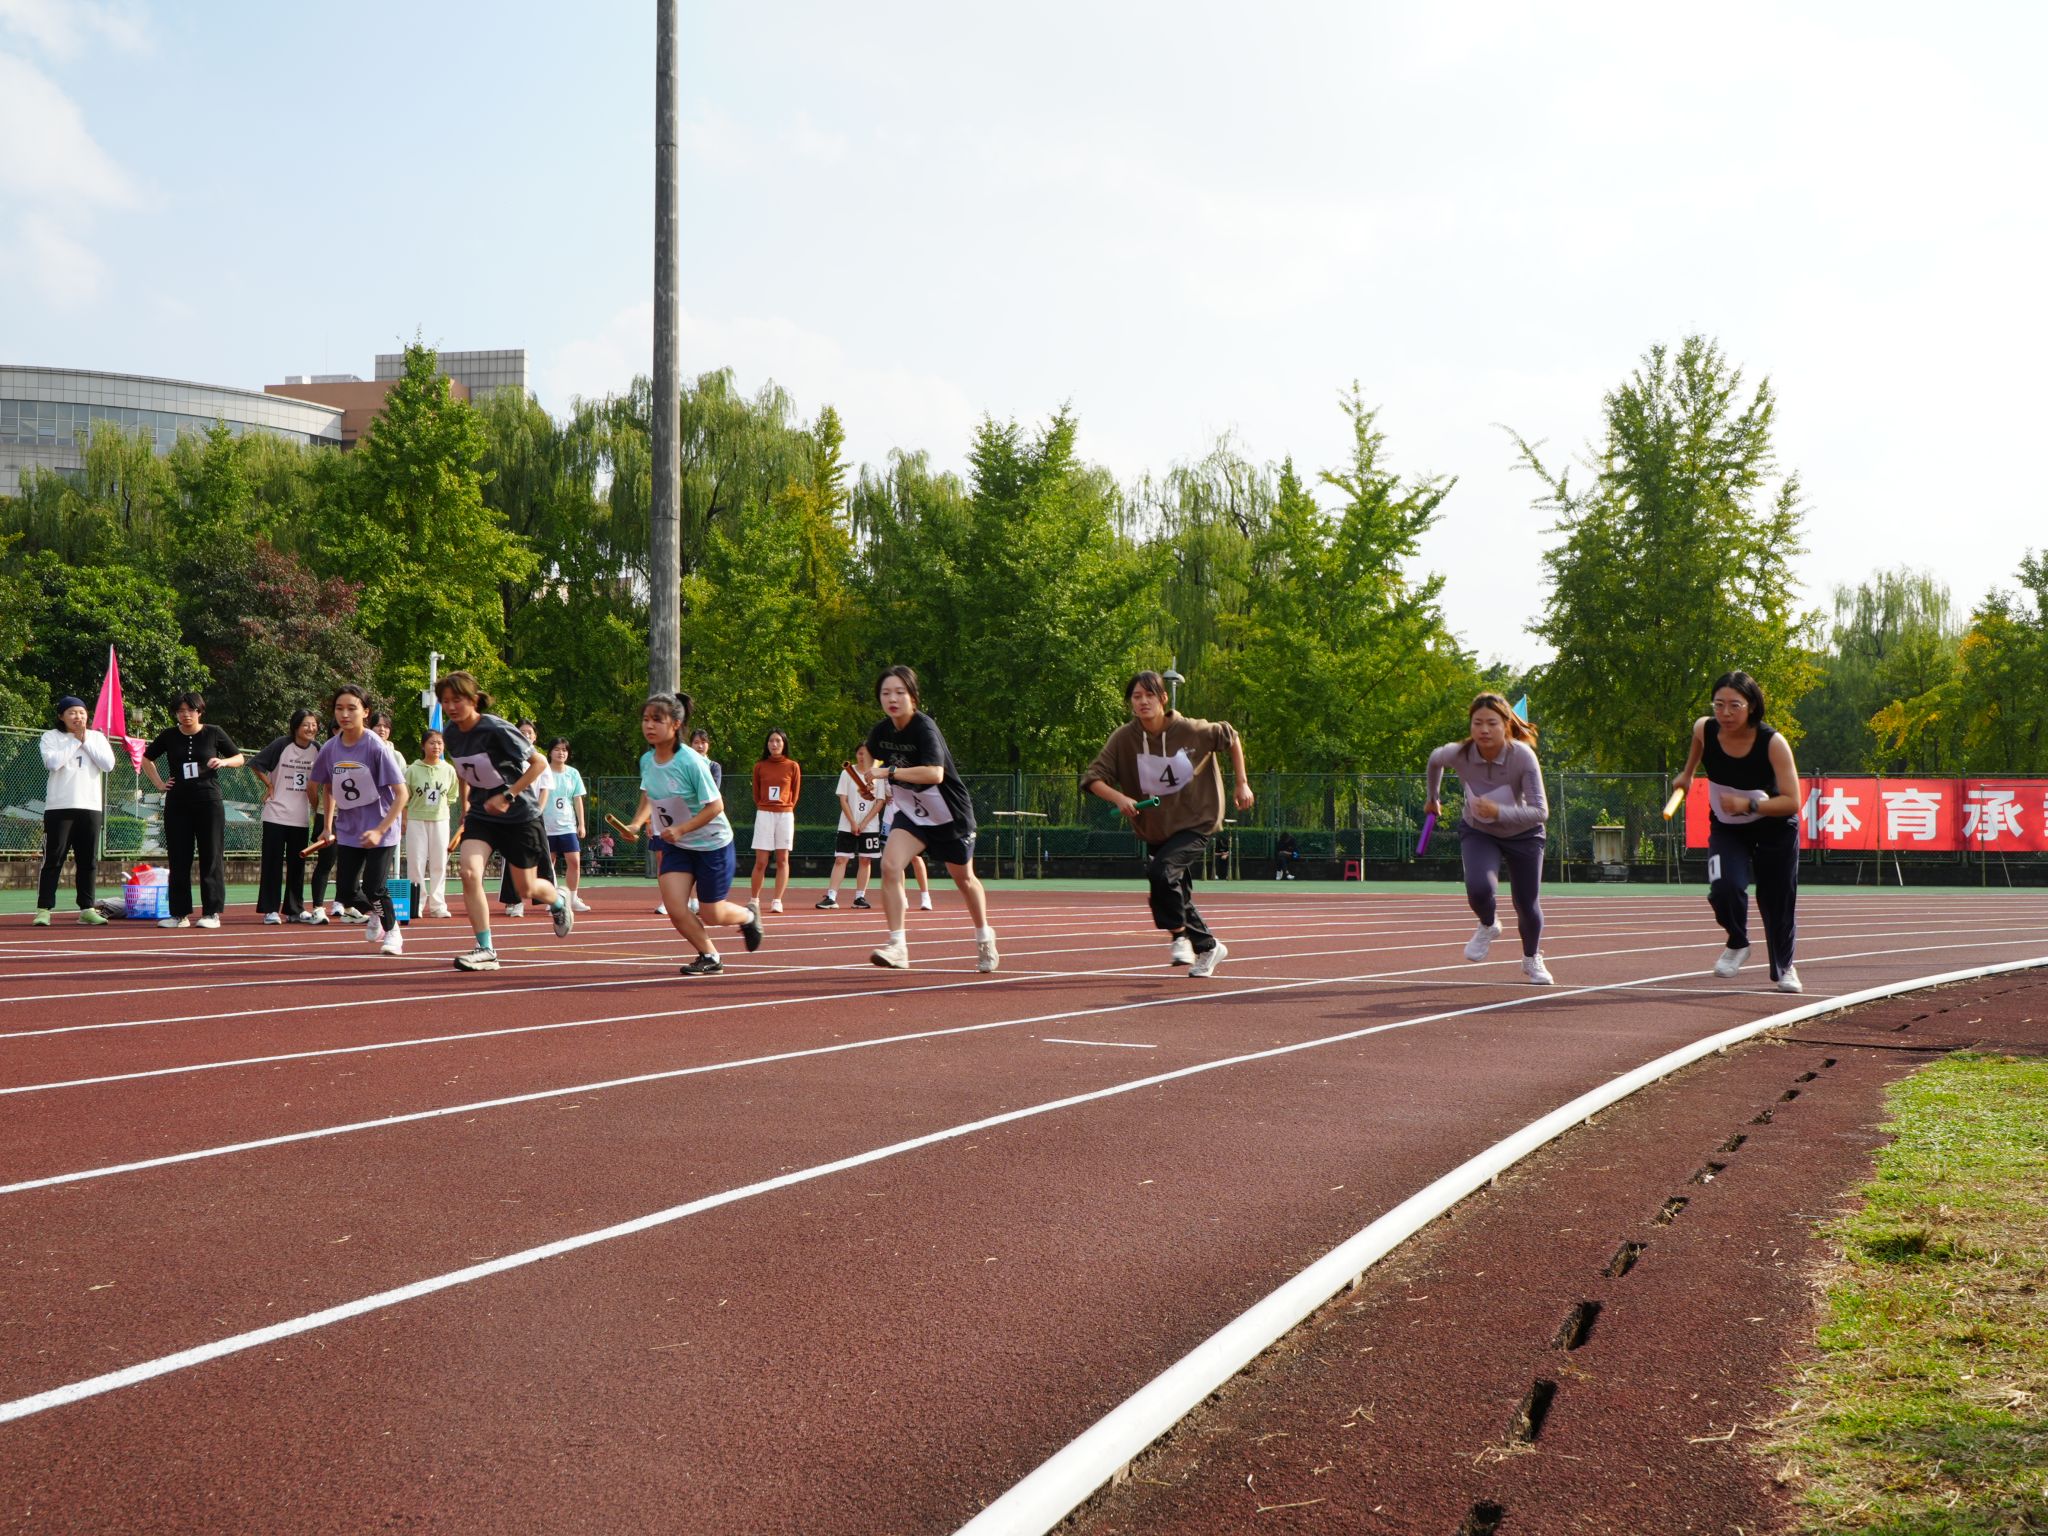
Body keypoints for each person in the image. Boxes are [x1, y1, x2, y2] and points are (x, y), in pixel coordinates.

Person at [1081, 670, 1255, 978]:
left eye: (1150, 695)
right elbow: (1093, 778)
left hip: (1196, 820)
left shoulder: (1190, 730)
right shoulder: (1123, 739)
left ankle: (1179, 938)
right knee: (1170, 889)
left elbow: (1230, 736)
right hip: (1156, 828)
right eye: (1136, 697)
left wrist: (1241, 783)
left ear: (1163, 698)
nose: (1143, 702)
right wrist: (1119, 798)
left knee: (1161, 873)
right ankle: (1208, 946)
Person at [1671, 670, 1804, 994]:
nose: (1725, 713)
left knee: (1776, 899)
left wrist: (1750, 804)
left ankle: (1784, 966)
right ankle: (1737, 942)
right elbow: (1697, 742)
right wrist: (1687, 774)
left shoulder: (1773, 743)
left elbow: (1793, 801)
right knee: (1724, 887)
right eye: (1719, 705)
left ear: (1751, 706)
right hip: (1728, 827)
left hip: (1774, 828)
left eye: (1735, 705)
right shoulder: (1705, 728)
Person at [435, 672, 575, 971]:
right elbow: (463, 771)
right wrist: (466, 804)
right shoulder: (451, 733)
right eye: (445, 701)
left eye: (457, 700)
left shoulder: (496, 729)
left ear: (474, 700)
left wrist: (508, 795)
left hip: (519, 816)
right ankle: (485, 949)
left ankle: (558, 901)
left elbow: (539, 763)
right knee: (469, 873)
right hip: (482, 814)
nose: (451, 707)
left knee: (526, 889)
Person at [865, 666, 997, 971]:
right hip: (912, 813)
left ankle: (984, 936)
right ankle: (898, 945)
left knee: (964, 879)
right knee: (889, 865)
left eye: (900, 692)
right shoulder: (881, 731)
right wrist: (870, 780)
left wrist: (887, 772)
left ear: (913, 696)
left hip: (948, 814)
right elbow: (869, 753)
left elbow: (935, 774)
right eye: (886, 693)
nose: (892, 699)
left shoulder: (924, 728)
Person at [622, 692, 764, 975]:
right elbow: (649, 795)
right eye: (645, 719)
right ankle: (709, 955)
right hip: (677, 846)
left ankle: (748, 915)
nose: (649, 725)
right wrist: (636, 823)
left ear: (675, 724)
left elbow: (716, 806)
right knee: (675, 907)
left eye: (657, 720)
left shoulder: (691, 762)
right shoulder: (647, 760)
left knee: (712, 913)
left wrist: (682, 828)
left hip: (712, 844)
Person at [1424, 693, 1553, 985]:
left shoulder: (1522, 756)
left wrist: (1499, 811)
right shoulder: (1459, 753)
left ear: (1506, 725)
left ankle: (1531, 958)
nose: (1484, 730)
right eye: (1477, 723)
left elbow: (1540, 812)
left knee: (1526, 903)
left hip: (1524, 834)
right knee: (1479, 889)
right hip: (1479, 831)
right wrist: (1433, 797)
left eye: (1492, 723)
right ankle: (1488, 923)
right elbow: (1434, 760)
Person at [311, 685, 409, 956]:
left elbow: (402, 794)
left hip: (381, 829)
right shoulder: (330, 748)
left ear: (365, 712)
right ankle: (377, 912)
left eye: (351, 708)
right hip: (349, 829)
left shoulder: (375, 746)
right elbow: (327, 787)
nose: (344, 714)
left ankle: (393, 931)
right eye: (339, 708)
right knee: (345, 891)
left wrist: (380, 830)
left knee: (375, 887)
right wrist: (327, 826)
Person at [141, 691, 244, 930]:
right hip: (178, 803)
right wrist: (159, 783)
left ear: (200, 711)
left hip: (209, 801)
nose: (185, 715)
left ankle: (211, 912)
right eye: (180, 711)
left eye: (190, 710)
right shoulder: (168, 735)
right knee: (178, 858)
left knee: (211, 856)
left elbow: (239, 757)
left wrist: (224, 762)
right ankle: (179, 914)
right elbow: (146, 758)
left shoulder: (214, 732)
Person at [35, 695, 116, 927]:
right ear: (61, 716)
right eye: (71, 712)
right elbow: (53, 763)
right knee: (53, 859)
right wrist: (75, 741)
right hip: (59, 807)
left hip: (90, 807)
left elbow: (108, 765)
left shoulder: (97, 737)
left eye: (81, 712)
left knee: (88, 860)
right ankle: (44, 909)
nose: (77, 717)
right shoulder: (51, 736)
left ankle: (87, 909)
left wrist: (85, 739)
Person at [249, 708, 322, 924]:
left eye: (314, 725)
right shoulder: (282, 744)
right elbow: (255, 764)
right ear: (295, 727)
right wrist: (269, 785)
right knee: (272, 863)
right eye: (306, 724)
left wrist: (317, 808)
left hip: (300, 817)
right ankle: (270, 909)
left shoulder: (318, 749)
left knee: (297, 865)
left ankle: (294, 909)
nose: (311, 728)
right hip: (276, 814)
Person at [658, 730, 722, 918]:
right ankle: (680, 899)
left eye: (703, 742)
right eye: (696, 742)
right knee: (679, 864)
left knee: (701, 866)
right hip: (681, 821)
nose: (700, 746)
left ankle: (700, 901)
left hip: (706, 825)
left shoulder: (713, 766)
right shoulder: (679, 764)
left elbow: (710, 796)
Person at [817, 742, 884, 909]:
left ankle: (860, 897)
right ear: (856, 754)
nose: (863, 757)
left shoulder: (878, 775)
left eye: (866, 754)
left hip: (870, 825)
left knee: (865, 860)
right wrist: (853, 822)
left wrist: (864, 823)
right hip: (847, 824)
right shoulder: (847, 772)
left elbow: (879, 802)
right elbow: (843, 799)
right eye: (860, 753)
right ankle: (831, 896)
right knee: (841, 859)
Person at [500, 718, 555, 917]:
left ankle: (551, 898)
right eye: (521, 732)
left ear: (535, 736)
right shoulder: (508, 757)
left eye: (529, 733)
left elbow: (545, 789)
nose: (526, 735)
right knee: (512, 855)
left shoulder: (540, 759)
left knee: (543, 855)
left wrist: (538, 810)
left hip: (533, 814)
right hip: (512, 813)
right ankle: (514, 901)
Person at [404, 729, 459, 919]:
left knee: (439, 863)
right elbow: (405, 796)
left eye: (439, 743)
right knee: (416, 863)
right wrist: (405, 818)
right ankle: (416, 904)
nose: (436, 747)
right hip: (416, 820)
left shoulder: (449, 770)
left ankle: (438, 905)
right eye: (432, 743)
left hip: (440, 820)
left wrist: (443, 807)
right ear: (423, 746)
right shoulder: (412, 769)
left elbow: (452, 795)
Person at [749, 728, 800, 914]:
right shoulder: (759, 766)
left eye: (778, 741)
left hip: (785, 815)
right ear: (767, 744)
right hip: (764, 814)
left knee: (782, 859)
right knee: (761, 861)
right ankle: (754, 900)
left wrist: (785, 807)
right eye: (771, 741)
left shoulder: (793, 766)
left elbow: (795, 793)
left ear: (784, 744)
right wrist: (766, 806)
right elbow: (756, 794)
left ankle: (777, 900)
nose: (774, 744)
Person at [541, 736, 592, 913]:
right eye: (557, 749)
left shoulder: (573, 773)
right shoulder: (543, 771)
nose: (561, 753)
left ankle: (572, 898)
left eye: (564, 750)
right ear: (550, 752)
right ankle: (552, 899)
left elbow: (577, 800)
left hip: (568, 826)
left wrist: (581, 824)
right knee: (549, 863)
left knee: (574, 861)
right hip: (547, 826)